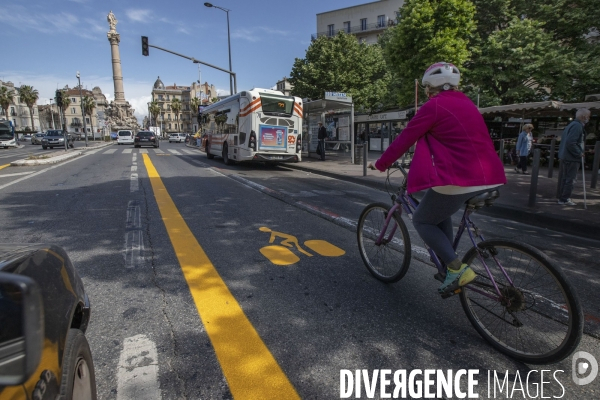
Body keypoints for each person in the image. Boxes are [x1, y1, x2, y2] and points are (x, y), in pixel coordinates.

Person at [368, 62, 506, 296]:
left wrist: (381, 164)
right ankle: (447, 261)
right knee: (437, 209)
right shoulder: (467, 104)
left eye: (427, 88)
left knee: (422, 220)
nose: (427, 93)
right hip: (489, 175)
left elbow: (405, 139)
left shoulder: (434, 106)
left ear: (431, 87)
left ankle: (456, 268)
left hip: (462, 176)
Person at [557, 108, 590, 206]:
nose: (589, 118)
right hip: (571, 157)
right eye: (588, 116)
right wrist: (579, 153)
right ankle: (564, 198)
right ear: (584, 116)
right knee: (570, 178)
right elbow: (571, 142)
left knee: (565, 178)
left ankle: (562, 197)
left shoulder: (571, 125)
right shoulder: (577, 126)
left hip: (566, 155)